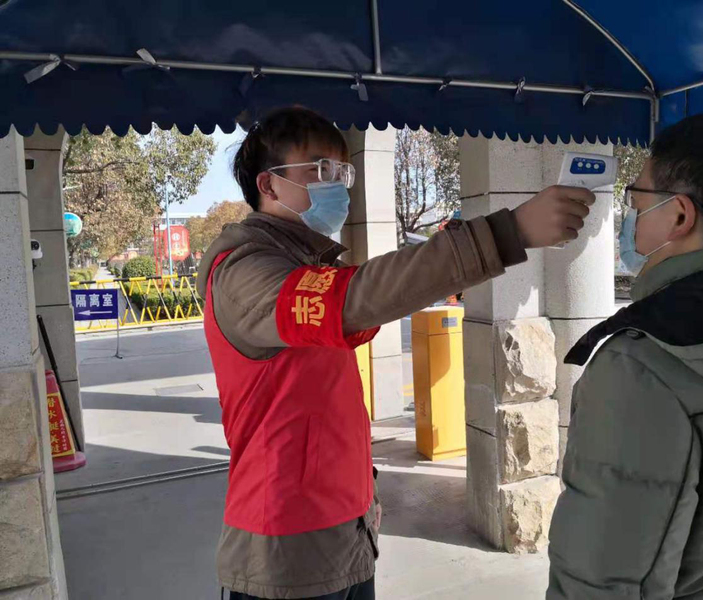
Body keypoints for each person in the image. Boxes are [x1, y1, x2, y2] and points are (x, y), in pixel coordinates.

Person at [197, 106, 596, 600]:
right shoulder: (244, 273)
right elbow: (355, 298)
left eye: (342, 172)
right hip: (284, 547)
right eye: (319, 169)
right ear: (269, 185)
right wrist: (506, 233)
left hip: (345, 528)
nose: (337, 185)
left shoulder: (304, 263)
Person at [548, 113, 703, 599]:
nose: (630, 219)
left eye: (637, 202)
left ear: (680, 216)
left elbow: (602, 579)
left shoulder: (640, 367)